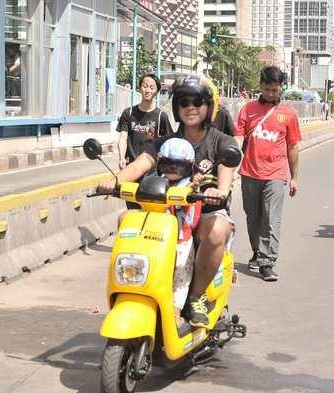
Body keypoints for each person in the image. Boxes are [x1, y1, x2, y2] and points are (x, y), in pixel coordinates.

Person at [99, 75, 239, 327]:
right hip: (168, 212)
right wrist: (114, 182)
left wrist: (221, 190)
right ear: (177, 107)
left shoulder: (221, 141)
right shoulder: (166, 143)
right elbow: (142, 163)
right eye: (184, 102)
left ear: (207, 106)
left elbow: (226, 174)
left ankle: (194, 297)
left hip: (206, 213)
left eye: (197, 102)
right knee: (127, 219)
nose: (190, 108)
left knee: (218, 230)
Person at [234, 66, 301, 282]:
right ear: (260, 86)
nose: (270, 94)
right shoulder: (247, 109)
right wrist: (232, 165)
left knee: (271, 218)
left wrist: (294, 177)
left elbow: (292, 147)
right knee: (253, 217)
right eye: (266, 89)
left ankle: (267, 262)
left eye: (274, 90)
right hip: (250, 173)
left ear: (281, 88)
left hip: (276, 173)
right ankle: (257, 251)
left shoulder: (288, 114)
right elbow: (237, 138)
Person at [154, 138, 203, 328]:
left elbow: (192, 190)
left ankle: (175, 309)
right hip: (156, 236)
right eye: (168, 164)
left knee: (181, 272)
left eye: (178, 165)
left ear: (189, 167)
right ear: (159, 162)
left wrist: (195, 185)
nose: (172, 169)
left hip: (181, 239)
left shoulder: (188, 186)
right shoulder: (154, 182)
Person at [116, 73, 173, 170]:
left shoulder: (161, 116)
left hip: (151, 169)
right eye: (145, 86)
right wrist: (121, 157)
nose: (148, 90)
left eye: (152, 87)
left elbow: (168, 143)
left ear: (157, 91)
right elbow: (123, 137)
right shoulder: (128, 113)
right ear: (140, 88)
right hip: (130, 167)